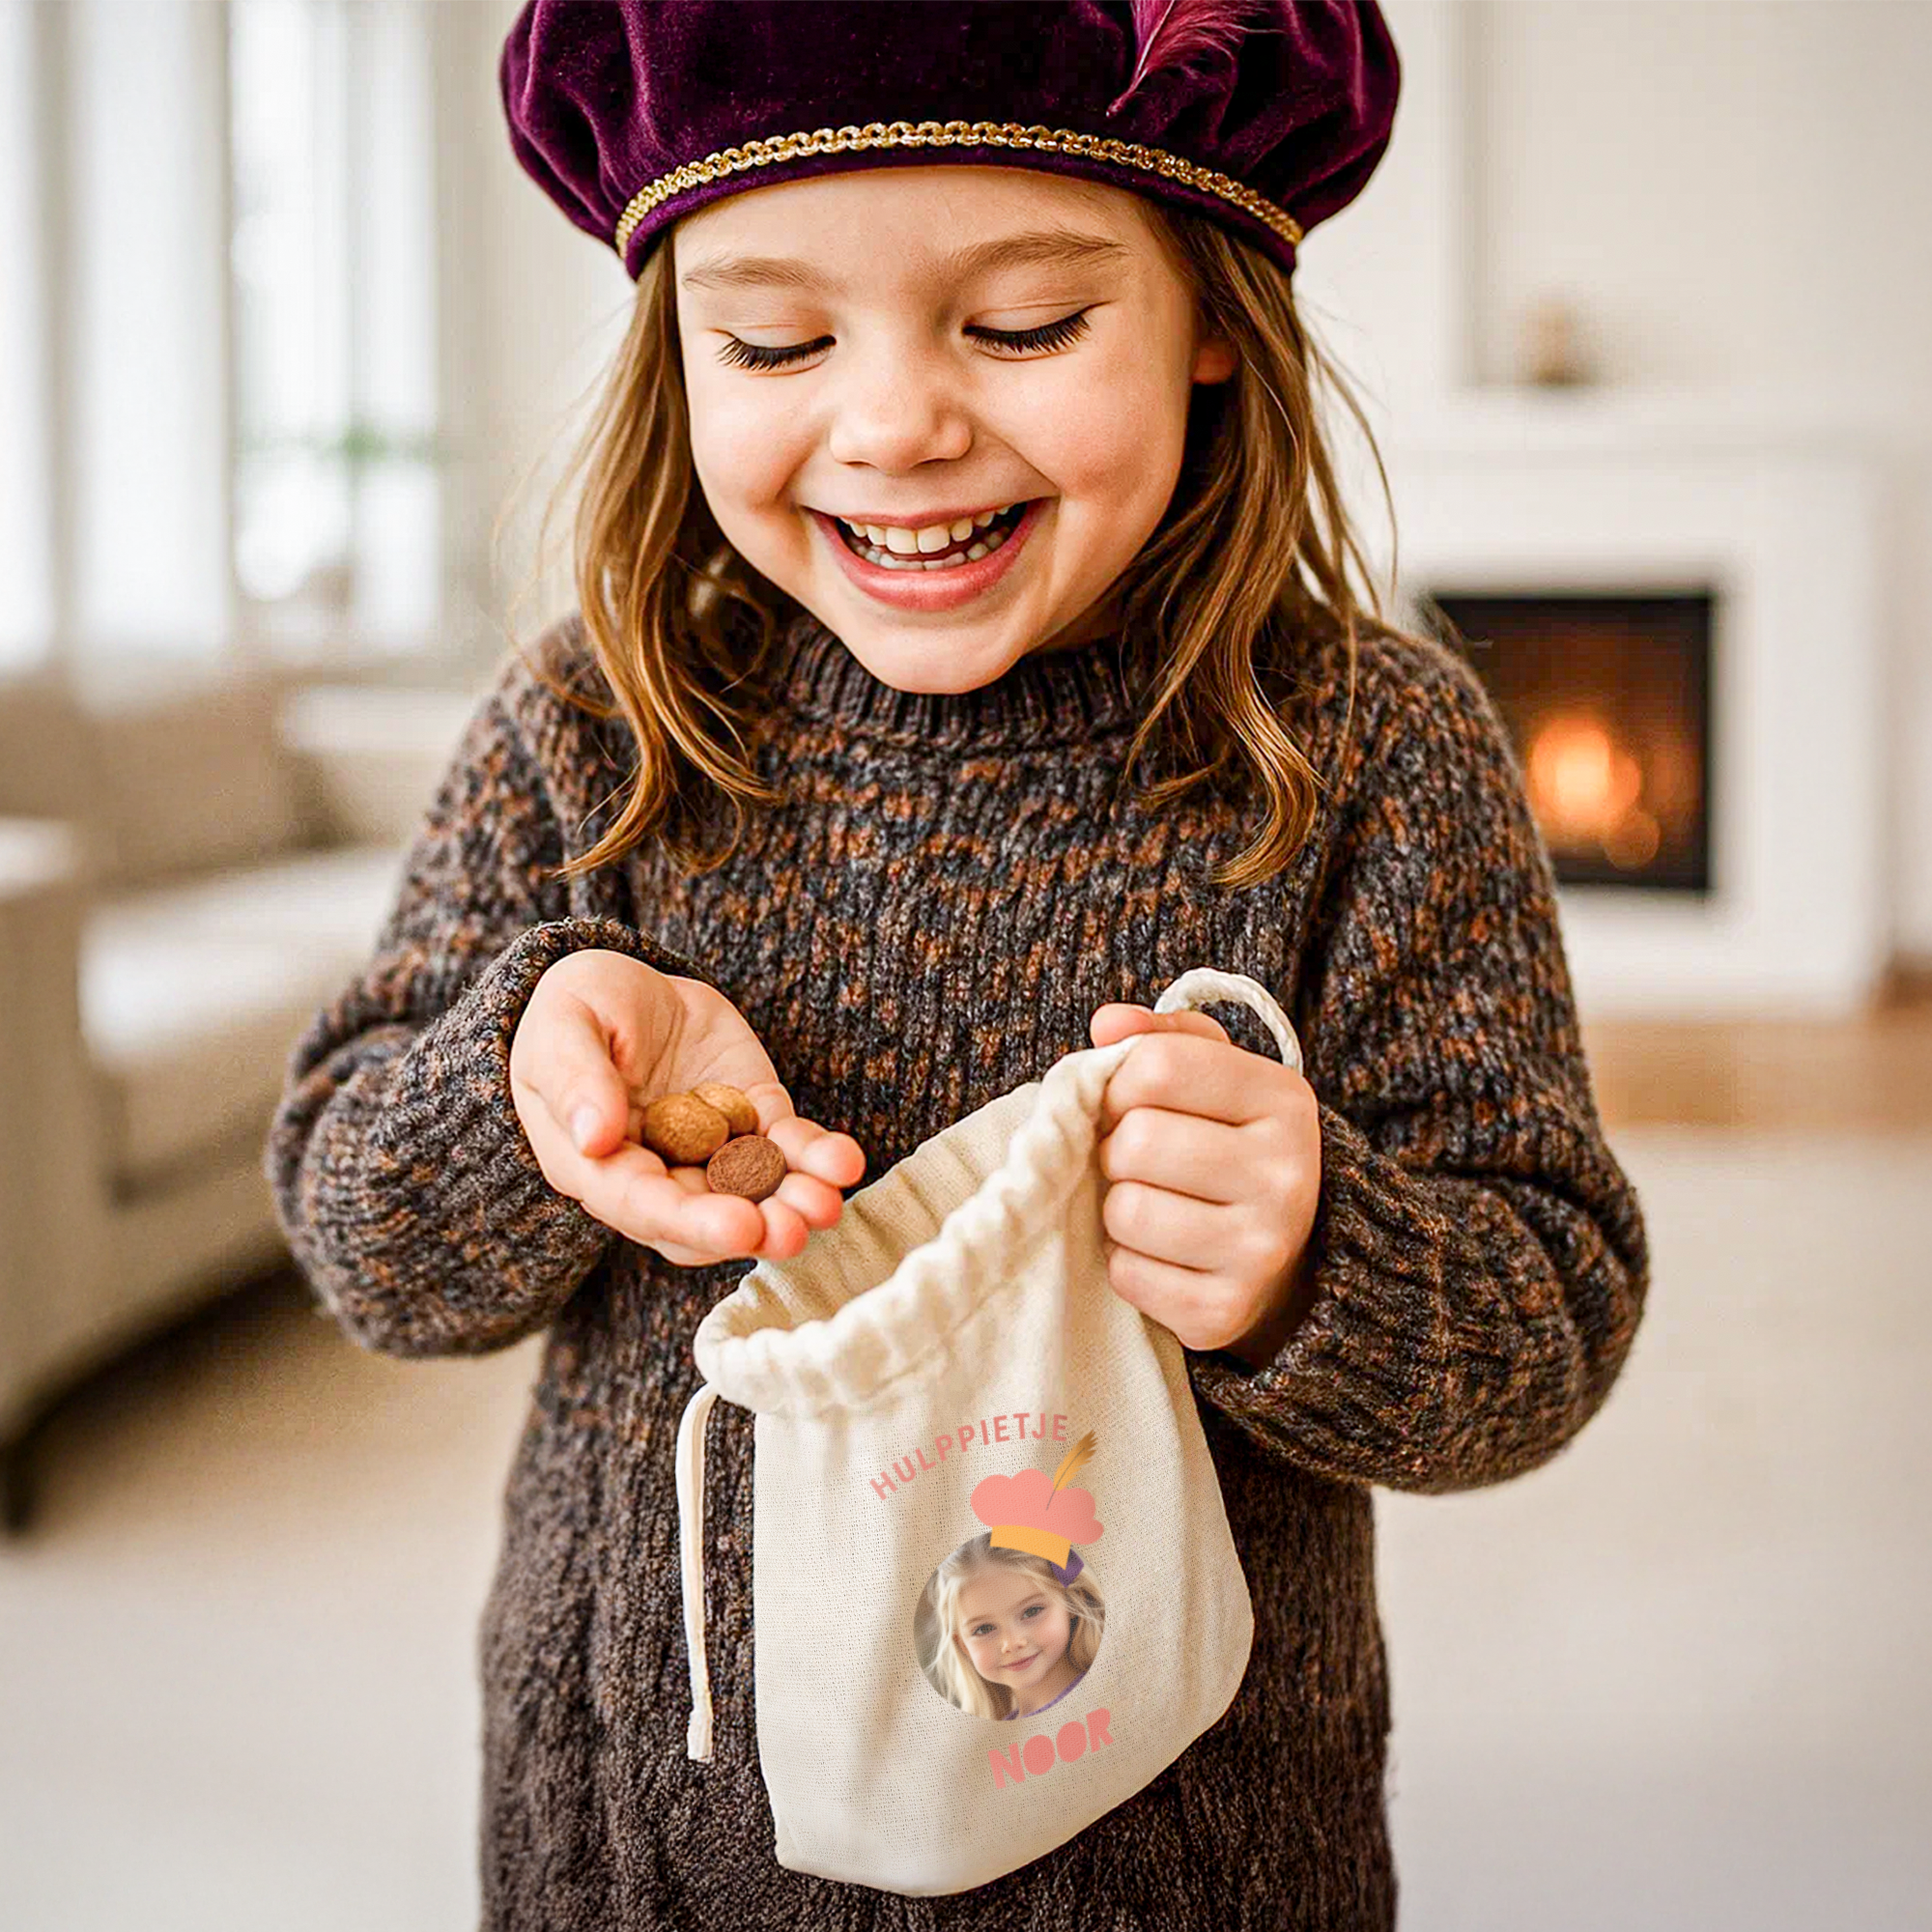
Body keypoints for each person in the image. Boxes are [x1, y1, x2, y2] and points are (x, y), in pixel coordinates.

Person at [265, 4, 1650, 1925]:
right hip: (646, 1853)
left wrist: (1311, 1257)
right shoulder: (590, 734)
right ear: (677, 350)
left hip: (1181, 1863)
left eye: (1021, 325)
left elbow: (1544, 1324)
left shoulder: (1369, 757)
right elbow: (365, 1244)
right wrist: (521, 1080)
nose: (896, 424)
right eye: (775, 343)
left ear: (1213, 311)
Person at [918, 1535, 1106, 1722]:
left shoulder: (1105, 1693)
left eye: (1031, 1611)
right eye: (984, 1629)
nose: (1012, 1643)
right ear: (964, 1645)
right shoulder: (991, 1736)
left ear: (1073, 1600)